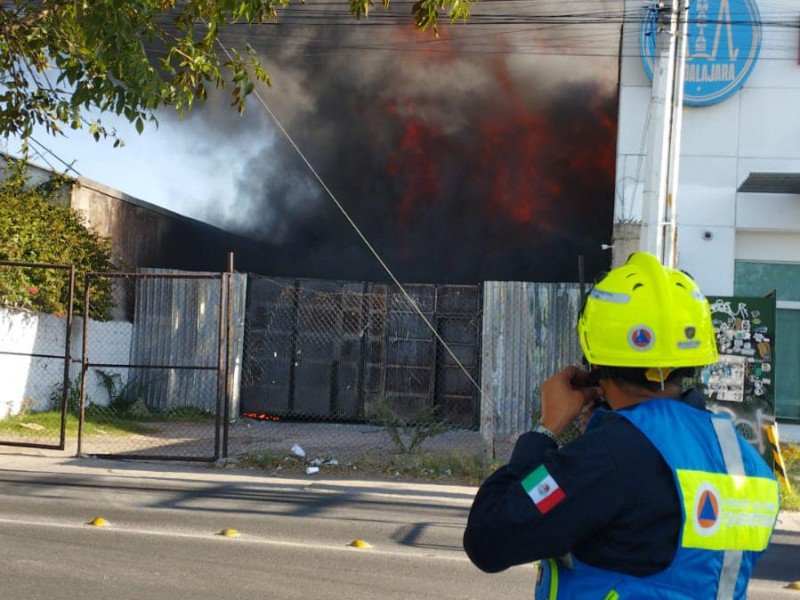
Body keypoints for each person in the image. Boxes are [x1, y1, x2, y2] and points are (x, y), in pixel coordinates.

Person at [463, 251, 780, 599]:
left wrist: (546, 431)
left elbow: (489, 538)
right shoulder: (746, 461)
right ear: (693, 358)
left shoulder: (607, 457)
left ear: (594, 360)